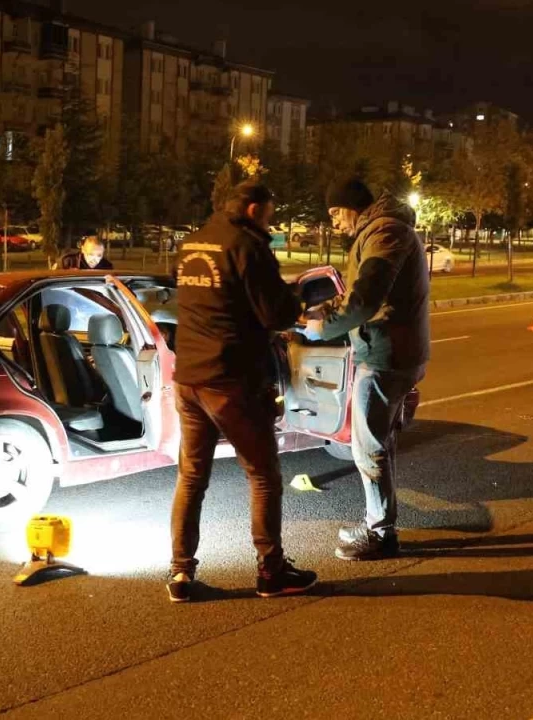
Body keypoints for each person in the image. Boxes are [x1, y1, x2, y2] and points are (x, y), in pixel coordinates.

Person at [167, 181, 317, 603]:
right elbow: (276, 313)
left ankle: (181, 574)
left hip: (189, 378)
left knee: (192, 476)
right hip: (230, 379)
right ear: (254, 210)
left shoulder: (193, 243)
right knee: (263, 474)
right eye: (269, 212)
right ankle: (272, 571)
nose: (271, 219)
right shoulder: (247, 246)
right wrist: (294, 298)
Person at [303, 176, 430, 561]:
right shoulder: (383, 230)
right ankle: (381, 523)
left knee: (369, 446)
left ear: (351, 206)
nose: (335, 222)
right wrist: (323, 312)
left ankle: (378, 533)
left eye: (335, 213)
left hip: (385, 356)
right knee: (379, 442)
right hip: (390, 350)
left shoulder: (385, 232)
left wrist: (321, 326)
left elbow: (364, 299)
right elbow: (360, 294)